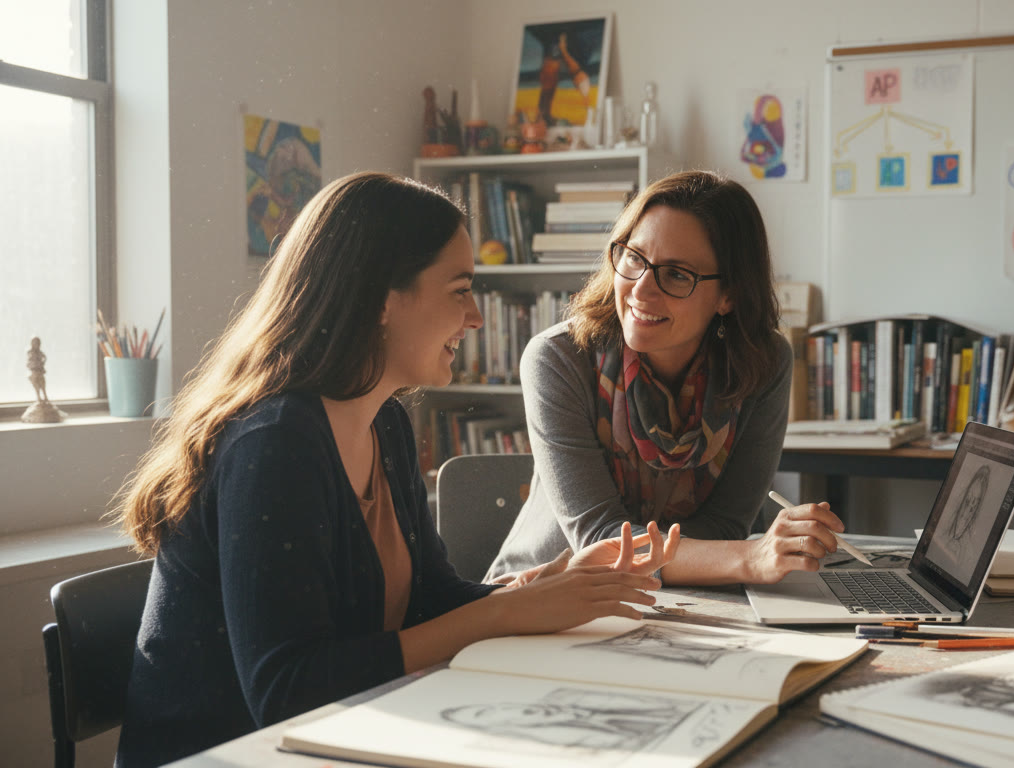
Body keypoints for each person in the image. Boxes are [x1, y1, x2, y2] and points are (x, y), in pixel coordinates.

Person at [112, 172, 678, 768]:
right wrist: (504, 612)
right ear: (382, 298)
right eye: (460, 290)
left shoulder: (385, 424)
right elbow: (286, 691)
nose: (476, 318)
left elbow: (432, 601)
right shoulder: (274, 445)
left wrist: (541, 586)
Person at [486, 170, 847, 587]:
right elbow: (600, 543)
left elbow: (725, 526)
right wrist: (748, 557)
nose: (641, 291)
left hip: (678, 598)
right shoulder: (558, 359)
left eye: (676, 274)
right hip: (541, 600)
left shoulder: (763, 364)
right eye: (634, 258)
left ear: (728, 295)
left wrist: (739, 554)